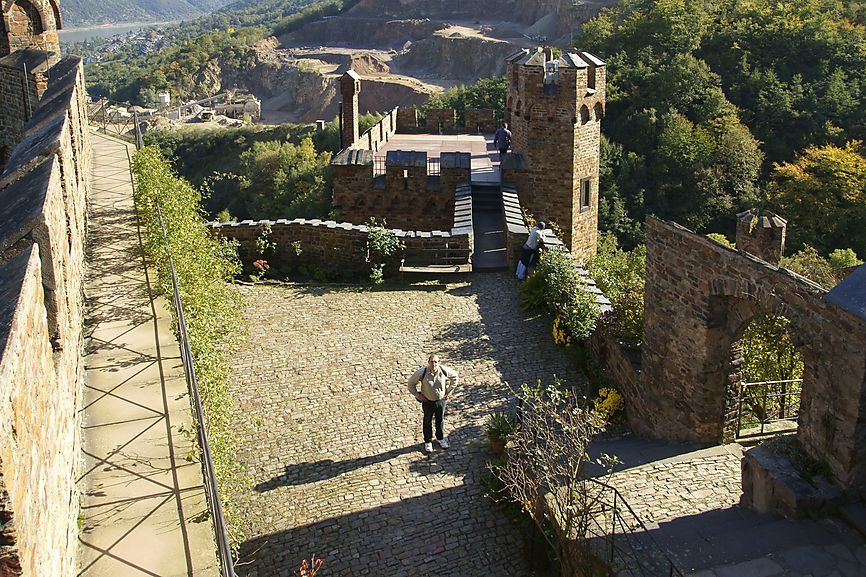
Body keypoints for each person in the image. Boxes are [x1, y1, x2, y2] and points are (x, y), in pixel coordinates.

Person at [408, 353, 459, 453]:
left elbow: (455, 378)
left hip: (440, 401)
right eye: (432, 362)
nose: (434, 364)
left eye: (436, 362)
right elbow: (411, 384)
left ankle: (440, 438)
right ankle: (428, 441)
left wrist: (449, 392)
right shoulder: (422, 372)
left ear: (439, 363)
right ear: (428, 363)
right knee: (427, 421)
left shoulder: (444, 371)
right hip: (427, 401)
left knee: (440, 420)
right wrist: (418, 395)